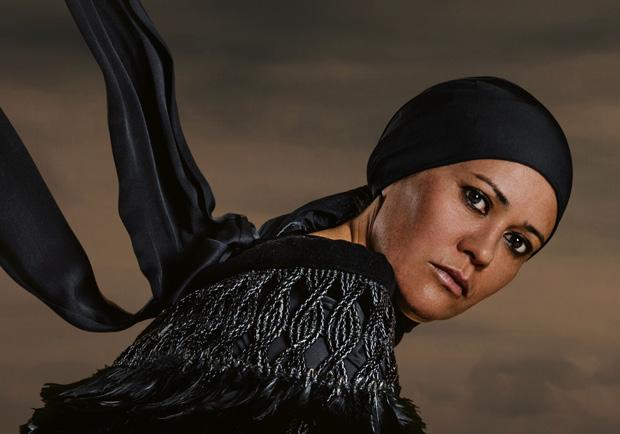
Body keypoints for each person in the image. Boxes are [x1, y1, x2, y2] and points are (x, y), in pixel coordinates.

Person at [0, 1, 572, 433]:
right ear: (400, 172)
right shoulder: (330, 314)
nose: (484, 251)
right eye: (477, 199)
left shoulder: (279, 271)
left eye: (519, 243)